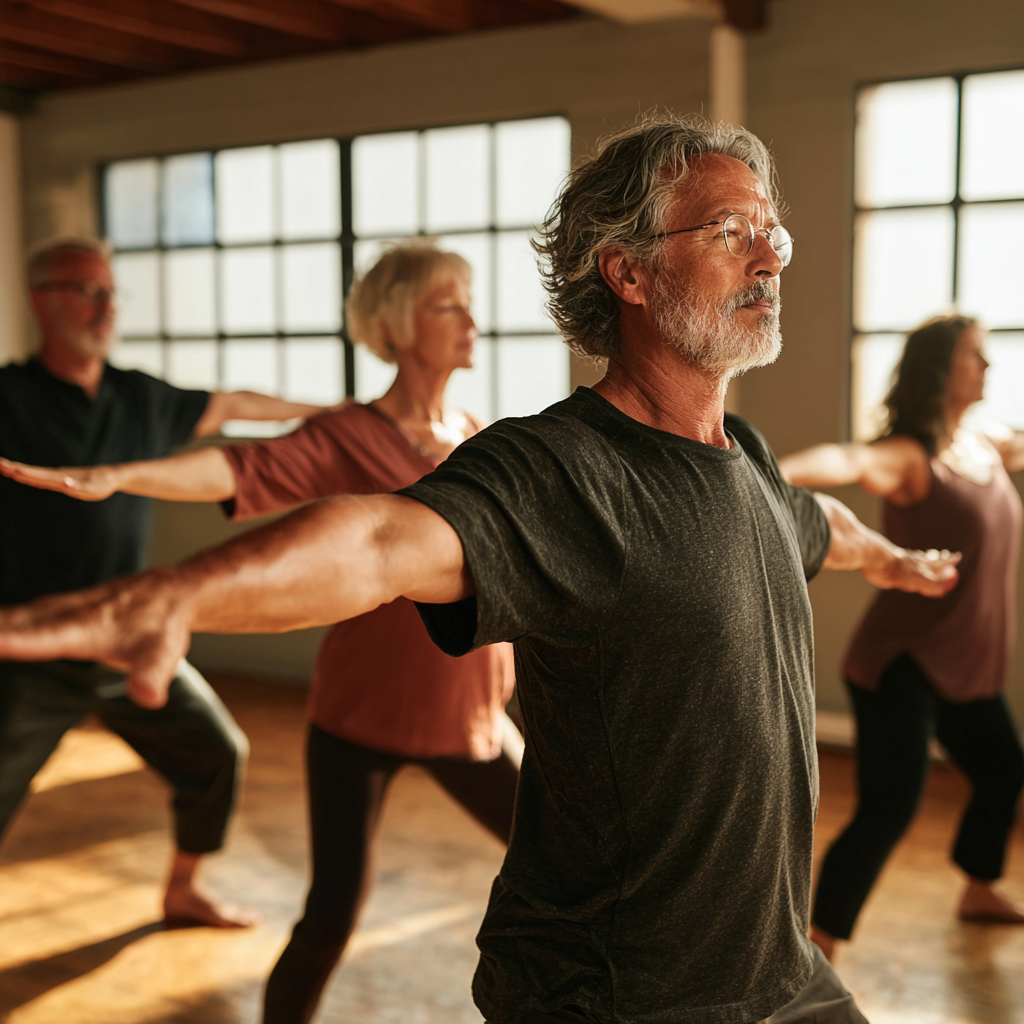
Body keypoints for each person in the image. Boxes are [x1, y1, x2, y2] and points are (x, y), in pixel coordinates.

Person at [0, 115, 963, 1023]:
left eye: (772, 231)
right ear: (627, 270)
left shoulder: (745, 459)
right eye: (728, 229)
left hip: (777, 976)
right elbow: (378, 541)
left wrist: (891, 559)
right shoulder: (562, 468)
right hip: (617, 996)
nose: (769, 257)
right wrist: (173, 593)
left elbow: (813, 523)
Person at [2, 242, 521, 1024]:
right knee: (329, 921)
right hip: (357, 716)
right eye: (449, 304)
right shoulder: (352, 433)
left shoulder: (478, 433)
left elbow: (504, 564)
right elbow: (238, 467)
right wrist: (123, 474)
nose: (472, 320)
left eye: (469, 302)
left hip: (469, 715)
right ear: (397, 323)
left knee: (567, 858)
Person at [0, 238, 332, 929]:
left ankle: (184, 888)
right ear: (41, 299)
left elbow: (237, 404)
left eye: (110, 292)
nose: (105, 306)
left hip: (133, 643)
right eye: (87, 290)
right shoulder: (9, 397)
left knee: (216, 755)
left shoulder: (139, 397)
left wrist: (342, 416)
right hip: (32, 649)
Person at [779, 314, 1024, 962]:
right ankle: (817, 942)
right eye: (977, 355)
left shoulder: (984, 445)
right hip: (901, 665)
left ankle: (978, 886)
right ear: (941, 370)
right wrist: (768, 471)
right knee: (890, 808)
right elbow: (851, 459)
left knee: (1003, 765)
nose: (990, 367)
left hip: (966, 663)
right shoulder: (912, 458)